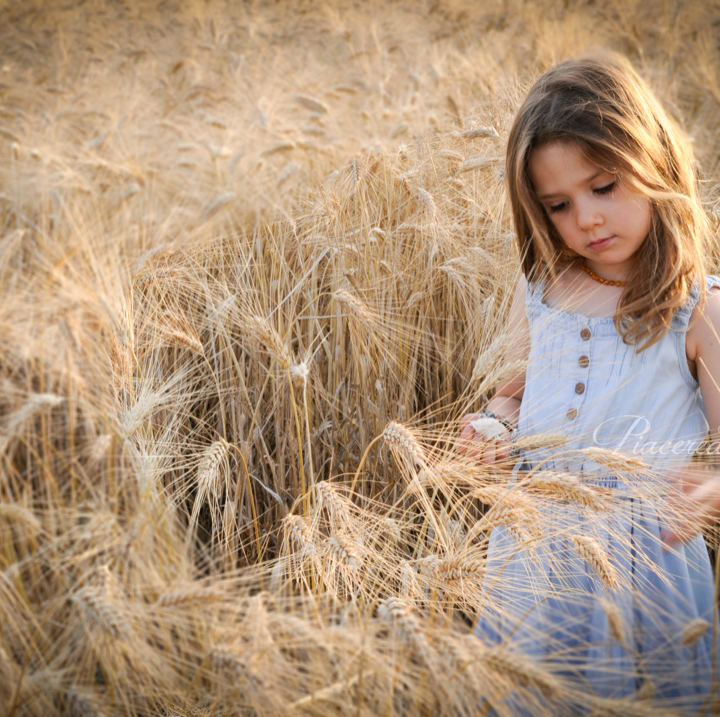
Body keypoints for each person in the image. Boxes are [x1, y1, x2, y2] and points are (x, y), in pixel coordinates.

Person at [459, 53, 720, 715]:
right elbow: (511, 393)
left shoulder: (696, 307)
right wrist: (492, 427)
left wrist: (710, 488)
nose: (588, 219)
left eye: (605, 187)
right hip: (534, 548)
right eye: (560, 204)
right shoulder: (542, 288)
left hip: (641, 565)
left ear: (654, 163)